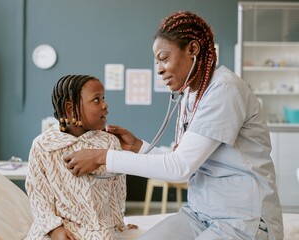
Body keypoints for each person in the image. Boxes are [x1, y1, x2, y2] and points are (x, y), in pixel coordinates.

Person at [63, 11, 284, 240]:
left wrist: (102, 157)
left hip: (243, 219)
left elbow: (180, 168)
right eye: (157, 61)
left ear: (193, 50)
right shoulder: (190, 94)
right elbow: (185, 160)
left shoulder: (225, 90)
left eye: (164, 58)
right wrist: (139, 146)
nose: (158, 69)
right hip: (200, 214)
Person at [25, 75, 137, 240]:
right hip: (57, 229)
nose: (105, 106)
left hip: (98, 229)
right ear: (70, 109)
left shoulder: (110, 142)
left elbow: (117, 192)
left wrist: (118, 224)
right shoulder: (43, 145)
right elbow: (38, 195)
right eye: (96, 100)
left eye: (103, 98)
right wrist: (53, 229)